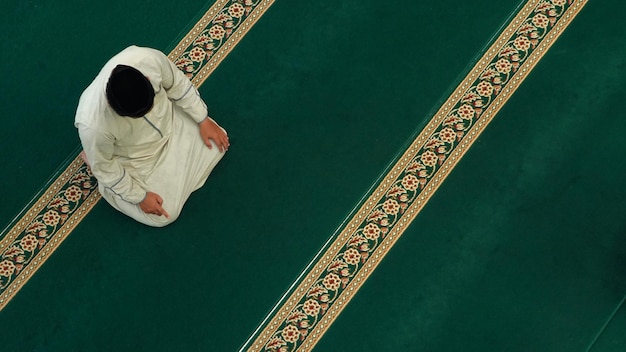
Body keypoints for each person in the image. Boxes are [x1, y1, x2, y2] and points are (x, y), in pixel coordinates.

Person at [75, 45, 229, 227]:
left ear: (147, 78)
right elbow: (106, 167)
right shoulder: (92, 124)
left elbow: (177, 84)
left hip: (173, 125)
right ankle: (98, 172)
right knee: (165, 215)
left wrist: (202, 119)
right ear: (110, 105)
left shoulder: (146, 59)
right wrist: (140, 197)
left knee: (218, 144)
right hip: (139, 160)